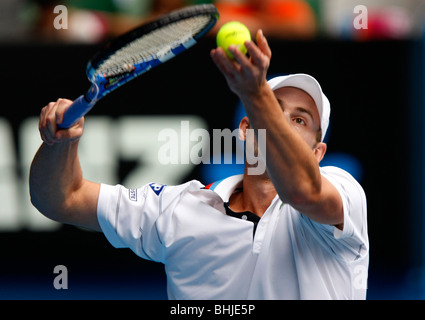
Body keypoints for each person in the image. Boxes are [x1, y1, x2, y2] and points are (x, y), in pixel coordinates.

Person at [29, 29, 369, 299]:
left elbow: (303, 190)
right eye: (275, 109)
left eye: (300, 121)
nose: (283, 122)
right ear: (246, 131)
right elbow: (62, 198)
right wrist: (60, 142)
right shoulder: (177, 208)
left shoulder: (344, 197)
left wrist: (256, 96)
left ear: (317, 153)